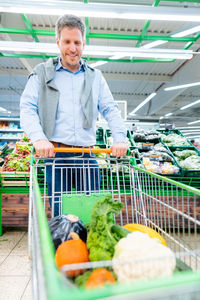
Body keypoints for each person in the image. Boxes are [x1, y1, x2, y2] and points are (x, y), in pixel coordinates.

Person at [20, 14, 128, 216]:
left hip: (87, 156)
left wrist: (120, 139)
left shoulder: (95, 76)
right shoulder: (41, 73)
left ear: (84, 44)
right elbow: (27, 108)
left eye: (77, 42)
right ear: (58, 42)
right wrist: (39, 139)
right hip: (56, 155)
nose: (72, 48)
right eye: (67, 42)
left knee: (90, 215)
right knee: (62, 215)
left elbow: (110, 109)